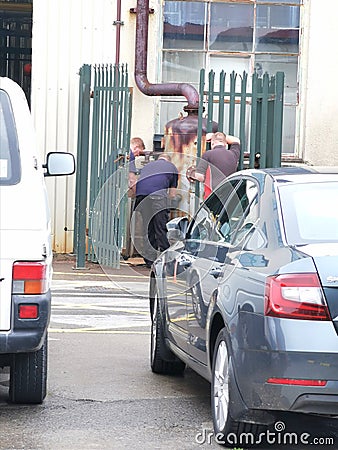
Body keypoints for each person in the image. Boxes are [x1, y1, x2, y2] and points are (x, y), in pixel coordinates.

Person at [134, 153, 178, 268]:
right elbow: (172, 194)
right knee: (160, 227)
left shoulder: (147, 166)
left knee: (148, 228)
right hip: (158, 197)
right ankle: (166, 260)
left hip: (142, 197)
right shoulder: (172, 167)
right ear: (168, 160)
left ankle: (149, 260)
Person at [187, 131, 240, 199]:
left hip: (214, 194)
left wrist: (212, 136)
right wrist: (220, 137)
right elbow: (236, 140)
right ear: (225, 143)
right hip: (230, 194)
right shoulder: (233, 153)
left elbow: (199, 176)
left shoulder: (208, 154)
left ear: (212, 143)